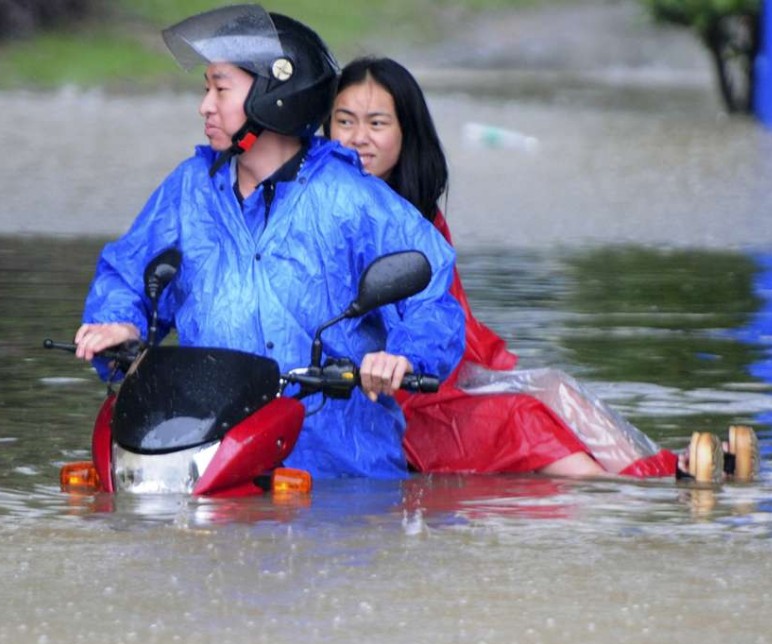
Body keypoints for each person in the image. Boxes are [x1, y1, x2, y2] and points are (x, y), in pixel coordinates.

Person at [73, 7, 466, 480]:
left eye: (221, 89)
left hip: (337, 471)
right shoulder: (188, 190)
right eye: (206, 89)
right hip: (207, 455)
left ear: (276, 96)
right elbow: (127, 274)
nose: (205, 106)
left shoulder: (352, 198)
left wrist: (402, 355)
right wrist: (120, 324)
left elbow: (433, 300)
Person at [325, 56, 758, 482]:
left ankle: (659, 467)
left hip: (428, 370)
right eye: (345, 122)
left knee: (553, 386)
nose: (359, 137)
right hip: (380, 393)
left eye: (377, 124)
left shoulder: (420, 217)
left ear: (406, 133)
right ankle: (639, 487)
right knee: (521, 415)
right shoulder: (324, 209)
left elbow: (441, 317)